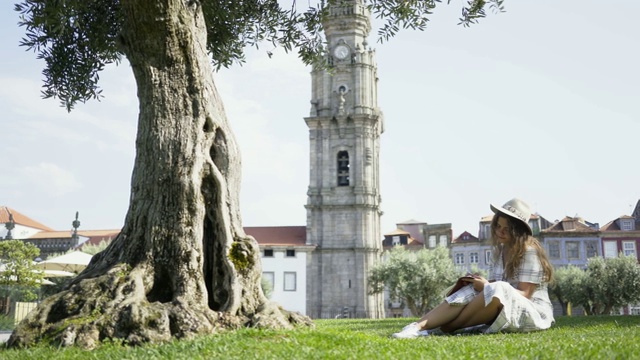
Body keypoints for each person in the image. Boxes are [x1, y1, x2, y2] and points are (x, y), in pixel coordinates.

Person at [392, 198, 555, 338]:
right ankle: (417, 327)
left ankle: (446, 328)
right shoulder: (501, 251)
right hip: (505, 305)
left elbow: (525, 294)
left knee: (497, 288)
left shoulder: (529, 252)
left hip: (533, 312)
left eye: (507, 229)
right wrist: (479, 282)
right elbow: (498, 287)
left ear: (518, 231)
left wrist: (487, 285)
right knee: (475, 286)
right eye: (498, 226)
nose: (500, 232)